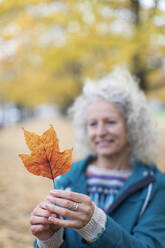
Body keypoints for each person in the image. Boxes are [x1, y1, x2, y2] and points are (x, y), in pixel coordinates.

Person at [31, 67, 165, 248]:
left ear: (132, 126)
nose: (100, 132)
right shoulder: (68, 178)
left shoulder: (155, 186)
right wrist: (48, 240)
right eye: (93, 124)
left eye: (110, 122)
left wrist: (97, 226)